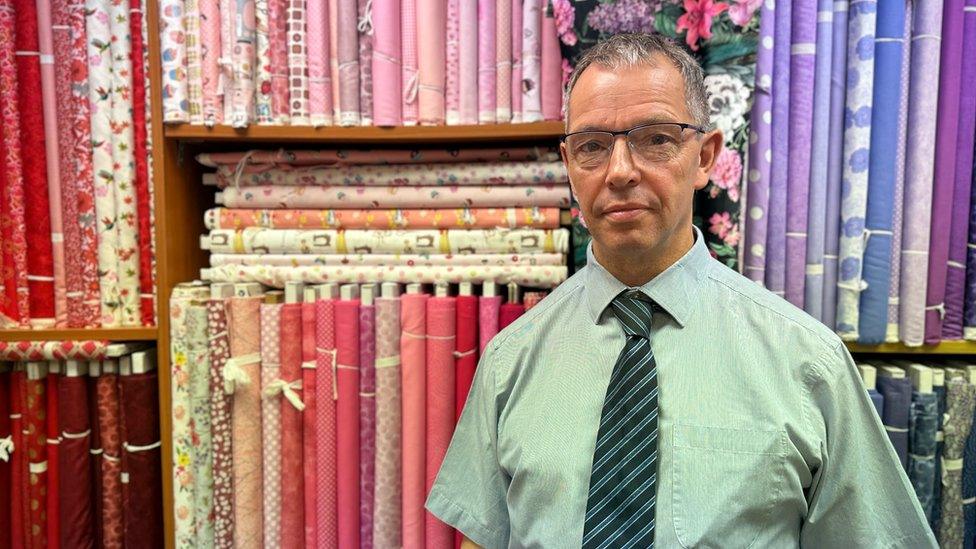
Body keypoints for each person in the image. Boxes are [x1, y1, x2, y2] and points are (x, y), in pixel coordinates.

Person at [425, 32, 936, 548]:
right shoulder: (511, 359)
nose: (620, 171)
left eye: (656, 139)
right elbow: (483, 537)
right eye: (592, 147)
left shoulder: (807, 363)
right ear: (568, 164)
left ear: (706, 156)